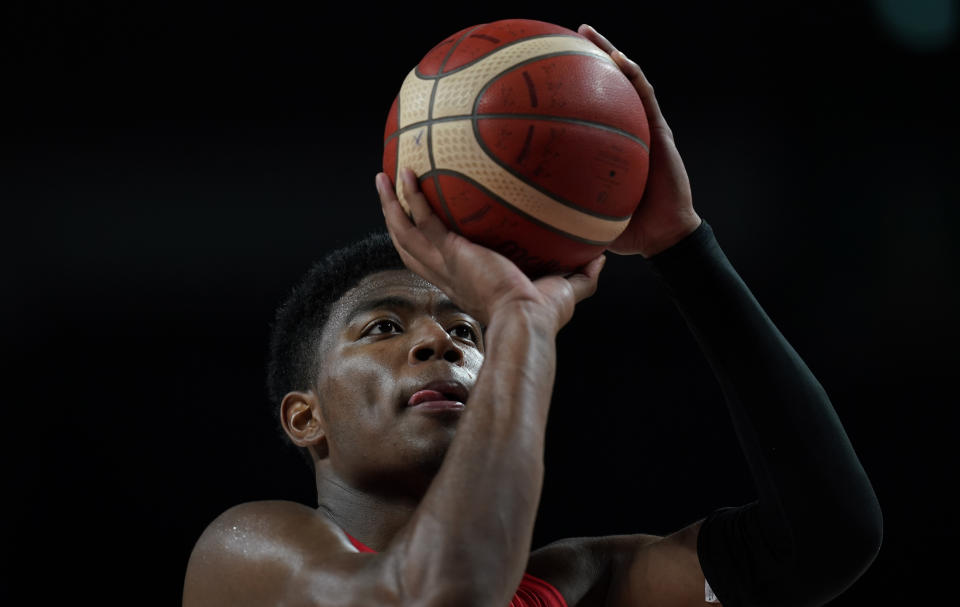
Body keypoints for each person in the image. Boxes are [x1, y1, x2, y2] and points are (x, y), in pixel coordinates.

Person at [182, 24, 882, 607]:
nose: (438, 341)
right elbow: (445, 595)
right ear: (307, 417)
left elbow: (825, 541)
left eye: (466, 329)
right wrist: (516, 314)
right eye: (384, 327)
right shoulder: (246, 554)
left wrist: (683, 247)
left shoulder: (580, 582)